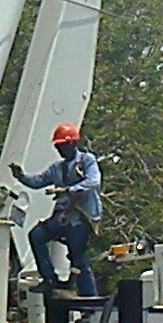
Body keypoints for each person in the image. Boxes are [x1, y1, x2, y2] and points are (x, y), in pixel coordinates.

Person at [15, 122, 103, 299]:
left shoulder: (86, 161)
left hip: (80, 219)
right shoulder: (57, 168)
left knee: (79, 261)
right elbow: (38, 181)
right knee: (37, 235)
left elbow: (94, 181)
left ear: (72, 144)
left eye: (63, 145)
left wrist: (68, 190)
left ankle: (90, 305)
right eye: (58, 146)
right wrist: (21, 177)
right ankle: (49, 278)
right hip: (63, 217)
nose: (60, 149)